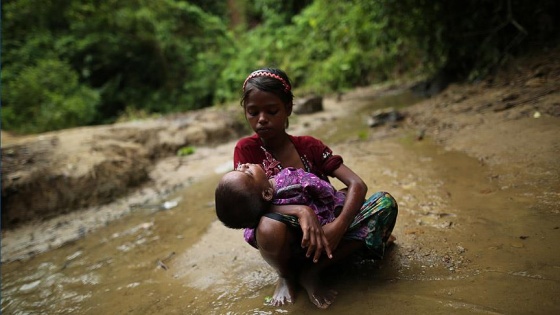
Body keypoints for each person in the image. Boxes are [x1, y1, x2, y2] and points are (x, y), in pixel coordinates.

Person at [232, 67, 398, 309]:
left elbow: (357, 184)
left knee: (384, 203)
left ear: (288, 108)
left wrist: (337, 228)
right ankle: (287, 275)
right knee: (267, 224)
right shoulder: (247, 150)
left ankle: (312, 271)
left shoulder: (309, 146)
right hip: (286, 236)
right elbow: (248, 203)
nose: (261, 119)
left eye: (272, 110)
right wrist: (301, 211)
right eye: (252, 112)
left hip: (328, 231)